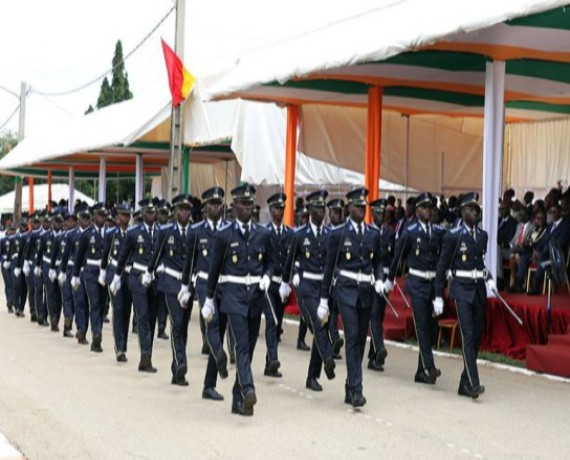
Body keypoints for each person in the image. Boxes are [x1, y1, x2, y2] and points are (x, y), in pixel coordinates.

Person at [204, 183, 276, 416]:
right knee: (241, 345)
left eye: (250, 204)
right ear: (234, 207)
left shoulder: (263, 234)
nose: (248, 208)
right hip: (233, 297)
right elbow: (214, 270)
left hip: (255, 296)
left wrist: (267, 276)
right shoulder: (225, 235)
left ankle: (237, 400)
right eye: (243, 204)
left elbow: (271, 262)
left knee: (252, 346)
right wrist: (208, 299)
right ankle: (248, 388)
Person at [320, 187, 382, 407]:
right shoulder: (338, 234)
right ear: (349, 209)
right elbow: (329, 268)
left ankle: (350, 384)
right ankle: (357, 389)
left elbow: (378, 262)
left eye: (363, 206)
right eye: (357, 206)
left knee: (361, 338)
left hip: (366, 291)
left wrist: (381, 278)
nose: (361, 210)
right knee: (352, 335)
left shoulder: (373, 233)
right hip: (345, 291)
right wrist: (323, 300)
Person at [435, 192, 492, 399]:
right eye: (470, 209)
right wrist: (438, 295)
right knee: (468, 336)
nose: (474, 213)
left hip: (478, 291)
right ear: (462, 211)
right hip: (461, 290)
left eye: (476, 209)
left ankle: (463, 383)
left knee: (475, 338)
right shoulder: (453, 235)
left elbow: (480, 263)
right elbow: (442, 266)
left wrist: (489, 276)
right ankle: (474, 383)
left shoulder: (483, 235)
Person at [385, 192, 445, 385]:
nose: (428, 211)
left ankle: (421, 372)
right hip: (417, 282)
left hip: (432, 283)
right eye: (424, 207)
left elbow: (442, 258)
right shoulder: (409, 232)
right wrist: (390, 278)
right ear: (417, 210)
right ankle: (429, 365)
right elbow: (398, 257)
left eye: (430, 208)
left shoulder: (437, 232)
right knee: (421, 325)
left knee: (429, 326)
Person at [281, 190, 336, 392]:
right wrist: (285, 282)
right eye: (317, 208)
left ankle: (312, 376)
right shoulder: (300, 235)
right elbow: (290, 261)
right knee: (317, 325)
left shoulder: (330, 235)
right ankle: (328, 357)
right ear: (310, 210)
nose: (321, 211)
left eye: (323, 207)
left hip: (324, 288)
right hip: (305, 286)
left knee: (320, 327)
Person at [180, 186, 229, 400]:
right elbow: (189, 261)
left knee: (221, 326)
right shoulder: (196, 231)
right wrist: (184, 287)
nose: (215, 207)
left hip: (225, 283)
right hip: (202, 281)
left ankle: (209, 385)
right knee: (211, 320)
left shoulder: (229, 229)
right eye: (211, 204)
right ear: (205, 207)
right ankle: (219, 352)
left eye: (218, 204)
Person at [149, 194, 194, 386]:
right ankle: (181, 362)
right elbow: (157, 254)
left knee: (183, 326)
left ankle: (177, 371)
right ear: (175, 212)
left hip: (188, 286)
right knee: (176, 323)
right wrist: (150, 272)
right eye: (181, 209)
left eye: (187, 209)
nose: (184, 213)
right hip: (170, 283)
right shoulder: (166, 232)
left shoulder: (194, 233)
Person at [111, 199, 159, 373]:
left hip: (155, 281)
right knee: (142, 316)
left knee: (152, 318)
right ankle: (144, 355)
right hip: (137, 279)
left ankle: (148, 354)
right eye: (147, 212)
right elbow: (123, 256)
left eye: (153, 212)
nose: (151, 215)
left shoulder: (160, 232)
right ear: (142, 214)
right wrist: (116, 276)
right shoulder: (134, 233)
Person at [262, 192, 294, 378]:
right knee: (271, 321)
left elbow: (292, 259)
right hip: (269, 285)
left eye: (282, 208)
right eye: (276, 208)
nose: (279, 211)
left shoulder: (289, 233)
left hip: (283, 285)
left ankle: (269, 363)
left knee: (278, 323)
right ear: (270, 210)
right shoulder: (265, 233)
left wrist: (290, 279)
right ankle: (273, 359)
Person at [72, 203, 108, 353]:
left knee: (102, 305)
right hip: (90, 272)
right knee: (94, 304)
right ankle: (97, 335)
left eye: (104, 215)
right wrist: (75, 276)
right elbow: (79, 257)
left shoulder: (111, 234)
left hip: (105, 272)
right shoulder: (87, 235)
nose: (102, 218)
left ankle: (97, 332)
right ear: (94, 217)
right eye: (99, 215)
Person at [101, 204, 133, 362]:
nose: (125, 218)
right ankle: (119, 347)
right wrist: (103, 272)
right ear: (117, 217)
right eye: (122, 215)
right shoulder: (111, 234)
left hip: (129, 274)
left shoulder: (133, 234)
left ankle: (123, 345)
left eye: (127, 215)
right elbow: (105, 254)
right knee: (118, 309)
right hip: (114, 273)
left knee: (127, 311)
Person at [367, 198, 395, 372]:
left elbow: (392, 258)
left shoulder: (389, 232)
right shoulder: (368, 232)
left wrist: (390, 279)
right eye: (377, 212)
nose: (380, 216)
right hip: (370, 278)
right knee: (374, 314)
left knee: (380, 315)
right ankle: (380, 347)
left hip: (384, 278)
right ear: (372, 213)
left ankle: (373, 358)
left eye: (382, 213)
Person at [528, 202, 570, 295]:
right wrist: (536, 251)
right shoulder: (550, 225)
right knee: (526, 256)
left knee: (541, 256)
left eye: (554, 212)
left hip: (557, 255)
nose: (552, 214)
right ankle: (519, 283)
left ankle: (536, 286)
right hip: (545, 254)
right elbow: (543, 240)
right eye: (551, 212)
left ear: (560, 212)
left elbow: (560, 244)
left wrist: (541, 252)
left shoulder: (566, 225)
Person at [35, 208, 64, 332]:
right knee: (50, 293)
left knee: (59, 295)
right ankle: (52, 319)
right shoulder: (45, 236)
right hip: (47, 266)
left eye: (59, 221)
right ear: (52, 222)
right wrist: (37, 266)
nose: (57, 223)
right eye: (55, 221)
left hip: (61, 267)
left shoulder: (65, 236)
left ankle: (56, 317)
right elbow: (40, 252)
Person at [326, 198, 346, 358]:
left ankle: (333, 343)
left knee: (335, 312)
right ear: (329, 213)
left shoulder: (346, 232)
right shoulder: (326, 232)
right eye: (334, 212)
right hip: (326, 279)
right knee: (328, 312)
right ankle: (333, 340)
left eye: (340, 212)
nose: (337, 215)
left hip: (341, 280)